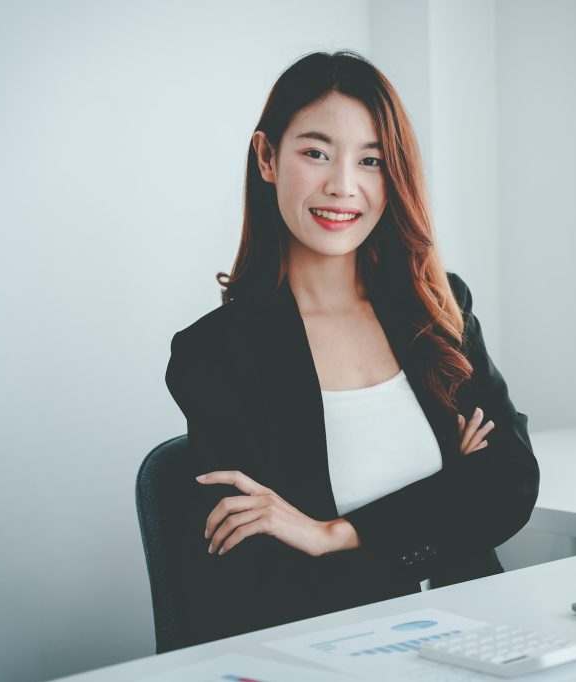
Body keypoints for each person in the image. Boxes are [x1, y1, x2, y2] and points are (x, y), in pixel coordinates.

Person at [164, 50, 539, 650]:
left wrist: (330, 533)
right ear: (267, 157)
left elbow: (509, 483)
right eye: (316, 153)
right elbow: (263, 565)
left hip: (474, 636)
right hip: (333, 650)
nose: (343, 186)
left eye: (372, 160)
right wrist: (450, 487)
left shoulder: (439, 307)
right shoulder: (216, 353)